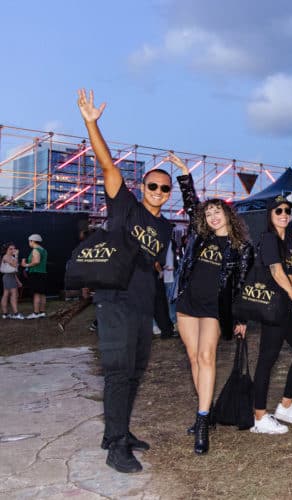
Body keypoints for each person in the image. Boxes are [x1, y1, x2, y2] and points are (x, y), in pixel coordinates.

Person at [78, 89, 173, 473]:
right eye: (153, 185)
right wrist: (91, 123)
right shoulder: (125, 206)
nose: (159, 192)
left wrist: (159, 312)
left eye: (165, 189)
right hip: (114, 299)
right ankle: (116, 447)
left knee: (134, 371)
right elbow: (107, 165)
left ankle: (119, 430)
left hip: (141, 303)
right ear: (143, 187)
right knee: (118, 372)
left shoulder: (165, 227)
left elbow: (153, 269)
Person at [169, 153, 252, 453]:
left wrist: (241, 318)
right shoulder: (200, 238)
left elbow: (241, 285)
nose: (213, 216)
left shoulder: (241, 248)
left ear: (228, 215)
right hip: (188, 304)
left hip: (216, 309)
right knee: (193, 358)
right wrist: (183, 174)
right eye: (209, 213)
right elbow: (191, 202)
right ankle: (205, 407)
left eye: (218, 211)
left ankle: (203, 420)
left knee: (206, 357)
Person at [235, 187, 292, 434]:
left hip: (284, 307)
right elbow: (276, 272)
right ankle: (260, 417)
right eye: (278, 211)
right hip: (274, 307)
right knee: (267, 361)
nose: (284, 214)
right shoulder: (270, 239)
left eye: (286, 210)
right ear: (270, 214)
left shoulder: (286, 235)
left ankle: (285, 405)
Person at [20, 234, 47, 318]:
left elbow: (36, 261)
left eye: (29, 241)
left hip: (36, 274)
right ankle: (42, 312)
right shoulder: (43, 250)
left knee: (36, 294)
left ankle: (36, 313)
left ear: (32, 241)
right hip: (42, 273)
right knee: (42, 294)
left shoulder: (36, 250)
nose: (29, 243)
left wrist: (26, 265)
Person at [1, 243, 23, 319]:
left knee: (8, 294)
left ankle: (5, 314)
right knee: (13, 295)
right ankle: (16, 314)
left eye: (14, 248)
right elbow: (14, 265)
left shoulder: (11, 257)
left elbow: (14, 270)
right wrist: (16, 255)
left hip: (11, 276)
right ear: (6, 249)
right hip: (8, 277)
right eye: (11, 249)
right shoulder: (6, 257)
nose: (13, 250)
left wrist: (18, 281)